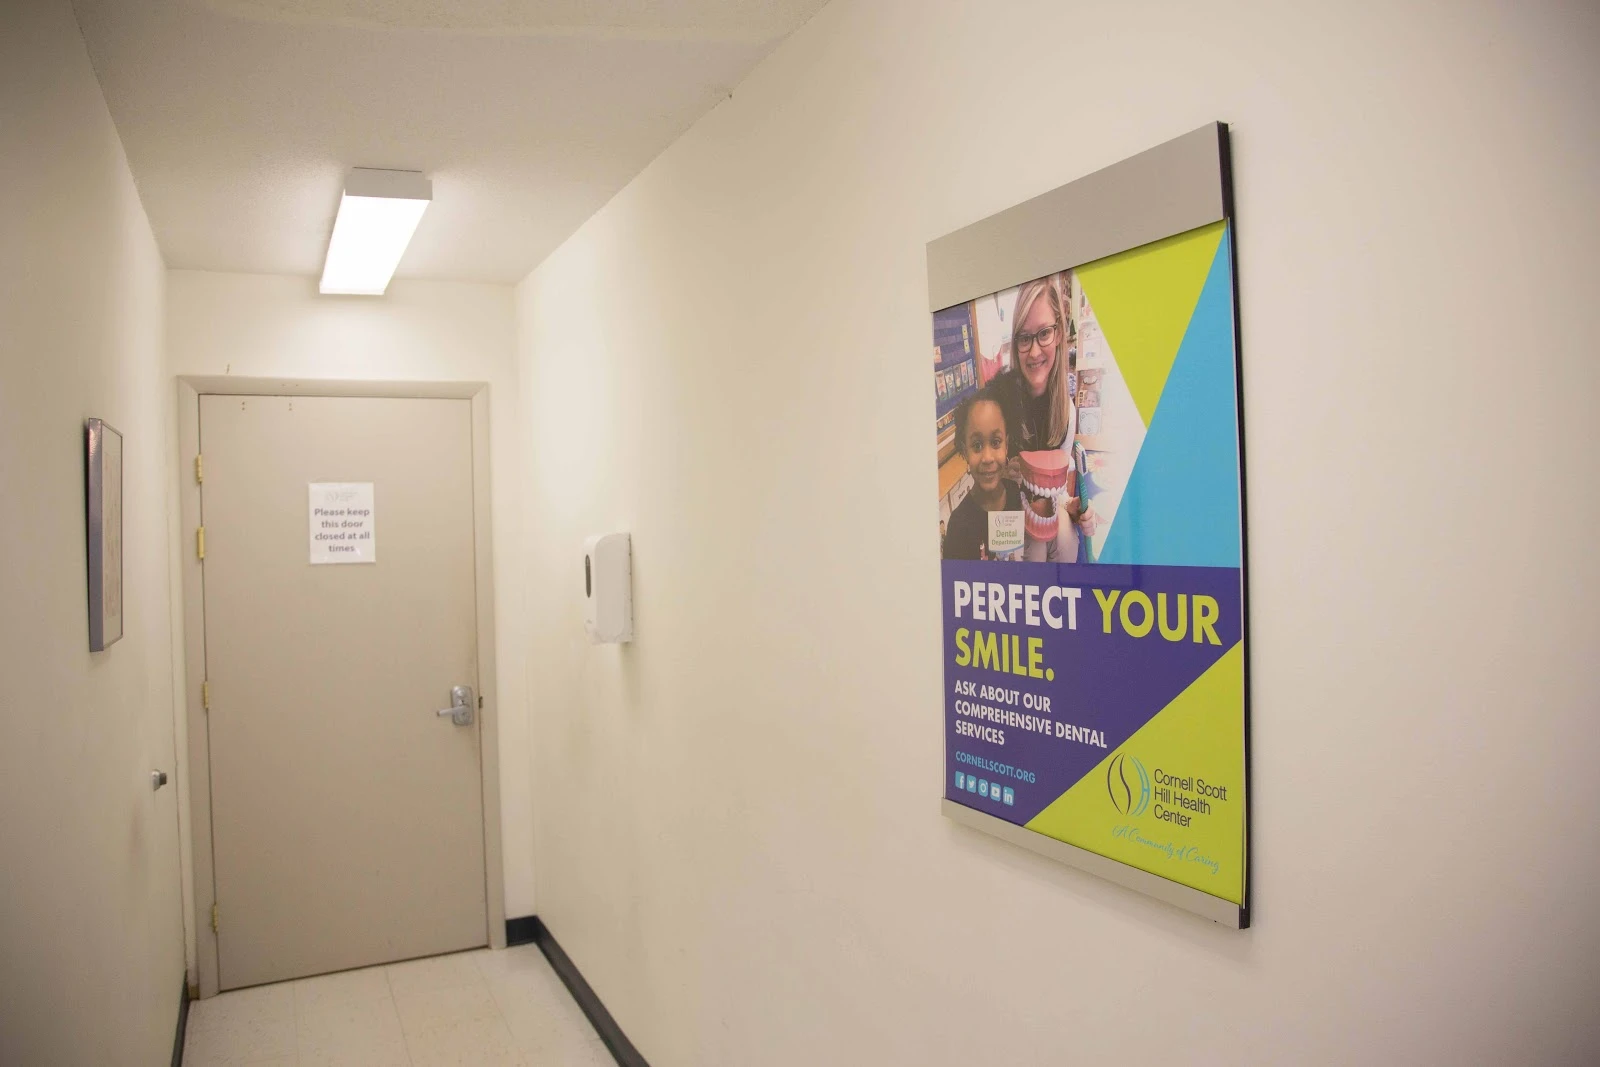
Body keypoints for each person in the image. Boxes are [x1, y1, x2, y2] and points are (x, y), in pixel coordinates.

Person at [989, 274, 1095, 561]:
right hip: (1005, 517)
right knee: (1031, 551)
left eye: (1044, 333)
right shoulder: (997, 407)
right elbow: (987, 501)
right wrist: (1000, 475)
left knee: (1067, 539)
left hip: (1042, 515)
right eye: (1025, 338)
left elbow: (1054, 493)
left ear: (1058, 333)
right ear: (1015, 343)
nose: (1034, 351)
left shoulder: (1066, 413)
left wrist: (1073, 507)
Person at [942, 385, 1025, 560]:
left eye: (995, 442)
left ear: (1006, 445)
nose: (987, 458)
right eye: (977, 445)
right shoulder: (959, 527)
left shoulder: (1017, 495)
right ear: (965, 451)